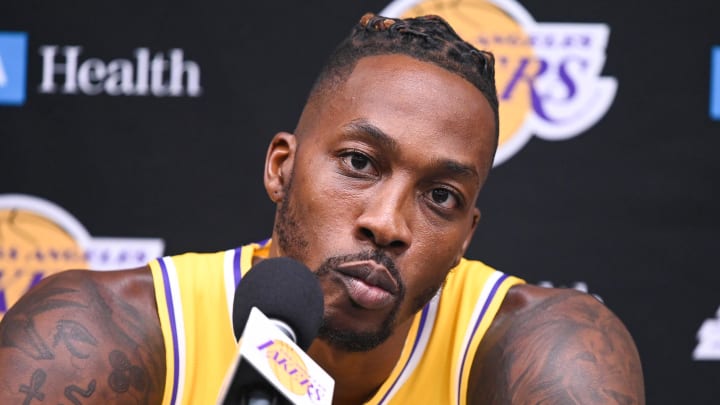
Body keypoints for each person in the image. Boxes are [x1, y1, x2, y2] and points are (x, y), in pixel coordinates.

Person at [0, 13, 644, 405]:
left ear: (466, 236)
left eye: (440, 197)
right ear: (281, 167)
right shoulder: (100, 338)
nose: (388, 224)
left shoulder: (544, 349)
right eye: (360, 163)